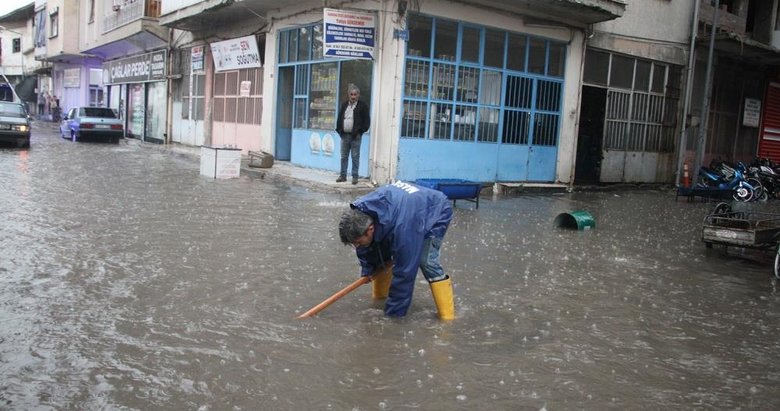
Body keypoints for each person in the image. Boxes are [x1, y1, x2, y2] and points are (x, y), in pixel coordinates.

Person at [338, 180, 455, 319]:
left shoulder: (403, 231)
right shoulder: (361, 210)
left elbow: (405, 274)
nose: (356, 247)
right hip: (403, 206)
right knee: (380, 253)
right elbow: (368, 248)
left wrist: (392, 318)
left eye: (357, 243)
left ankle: (447, 317)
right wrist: (369, 269)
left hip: (435, 211)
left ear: (370, 230)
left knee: (425, 260)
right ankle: (380, 299)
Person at [335, 84, 370, 185]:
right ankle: (343, 176)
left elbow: (367, 121)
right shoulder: (344, 104)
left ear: (358, 95)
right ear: (348, 95)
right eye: (351, 94)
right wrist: (339, 130)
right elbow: (340, 118)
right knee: (344, 156)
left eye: (355, 94)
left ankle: (355, 177)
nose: (353, 96)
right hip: (344, 135)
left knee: (355, 156)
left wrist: (360, 132)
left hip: (356, 136)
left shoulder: (362, 106)